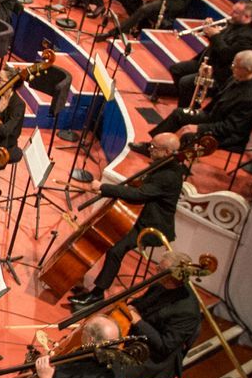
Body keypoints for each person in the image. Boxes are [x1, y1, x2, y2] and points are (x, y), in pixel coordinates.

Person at [69, 132, 189, 308]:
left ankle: (97, 294)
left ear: (166, 152)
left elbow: (139, 195)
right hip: (141, 216)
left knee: (116, 249)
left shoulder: (169, 175)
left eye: (154, 147)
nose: (149, 148)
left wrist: (103, 187)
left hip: (152, 226)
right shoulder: (165, 164)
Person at [156, 48, 252, 151]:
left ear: (247, 70)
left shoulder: (249, 98)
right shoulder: (234, 78)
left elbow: (230, 127)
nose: (232, 67)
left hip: (225, 133)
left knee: (188, 134)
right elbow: (218, 98)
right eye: (233, 63)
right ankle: (154, 144)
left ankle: (167, 156)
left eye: (235, 66)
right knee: (179, 114)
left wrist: (200, 128)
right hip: (212, 118)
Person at [124, 257, 207, 378]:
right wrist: (132, 307)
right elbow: (141, 304)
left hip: (154, 358)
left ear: (172, 276)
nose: (155, 270)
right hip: (138, 337)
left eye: (160, 269)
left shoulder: (187, 311)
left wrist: (139, 322)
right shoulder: (160, 284)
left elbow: (164, 346)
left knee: (110, 363)